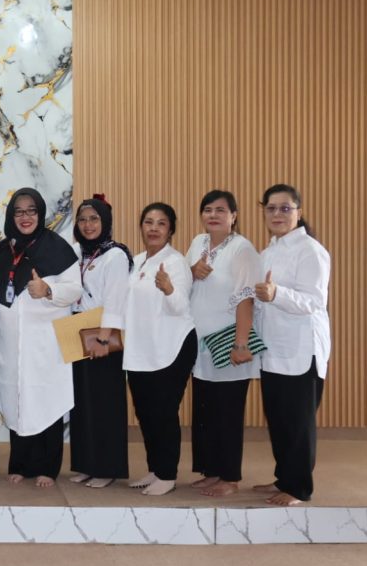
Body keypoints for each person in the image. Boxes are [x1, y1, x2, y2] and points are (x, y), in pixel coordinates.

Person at [0, 188, 81, 488]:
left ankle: (48, 468)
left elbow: (74, 289)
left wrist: (49, 290)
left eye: (31, 211)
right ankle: (21, 464)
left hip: (46, 343)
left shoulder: (59, 248)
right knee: (17, 401)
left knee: (46, 401)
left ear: (40, 213)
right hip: (11, 344)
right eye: (19, 211)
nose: (25, 217)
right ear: (11, 215)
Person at [253, 184, 331, 506]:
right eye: (271, 208)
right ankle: (283, 478)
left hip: (301, 348)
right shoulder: (267, 253)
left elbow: (314, 301)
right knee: (279, 419)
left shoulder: (311, 250)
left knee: (298, 422)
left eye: (285, 208)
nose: (277, 214)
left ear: (298, 212)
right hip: (272, 349)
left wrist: (277, 294)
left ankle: (299, 488)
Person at [185, 190, 262, 497]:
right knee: (205, 410)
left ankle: (229, 477)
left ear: (234, 216)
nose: (213, 215)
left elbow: (246, 297)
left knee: (227, 411)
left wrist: (241, 344)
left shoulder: (242, 249)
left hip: (228, 341)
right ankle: (211, 470)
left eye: (220, 210)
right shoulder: (198, 242)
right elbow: (185, 283)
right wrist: (192, 272)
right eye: (208, 209)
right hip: (200, 342)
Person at [124, 202, 196, 496]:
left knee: (164, 412)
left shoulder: (176, 263)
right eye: (149, 222)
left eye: (161, 223)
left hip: (171, 348)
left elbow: (181, 307)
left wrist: (168, 288)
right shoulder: (137, 261)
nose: (153, 228)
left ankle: (167, 474)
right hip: (142, 349)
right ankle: (155, 468)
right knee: (145, 412)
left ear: (170, 230)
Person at [68, 195, 133, 489]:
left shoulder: (115, 255)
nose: (88, 225)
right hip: (77, 331)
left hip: (103, 334)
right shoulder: (78, 253)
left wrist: (104, 339)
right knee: (82, 403)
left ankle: (107, 468)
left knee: (105, 403)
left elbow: (116, 299)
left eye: (94, 219)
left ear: (105, 222)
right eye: (82, 220)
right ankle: (86, 464)